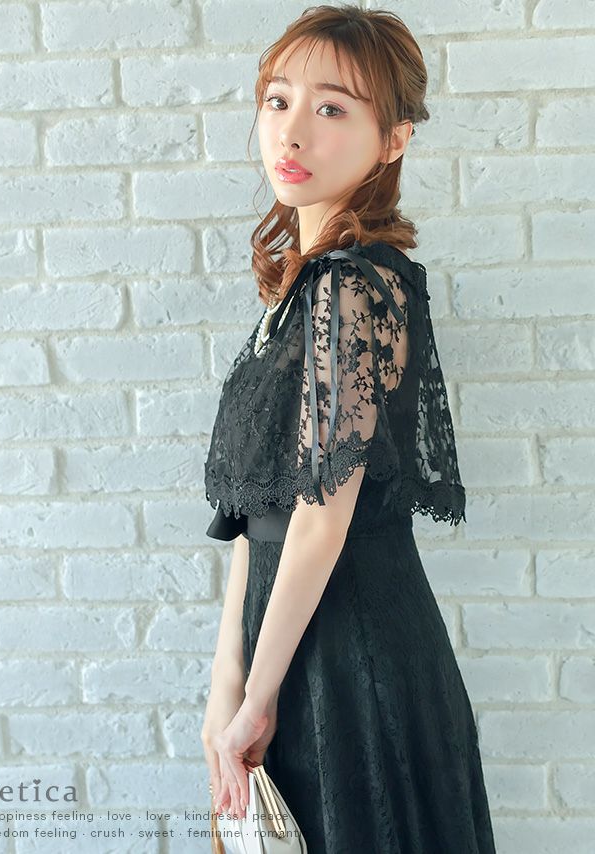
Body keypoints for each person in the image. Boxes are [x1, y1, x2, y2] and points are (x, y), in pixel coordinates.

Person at [200, 5, 497, 852]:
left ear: (394, 140)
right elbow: (255, 517)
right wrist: (226, 680)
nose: (292, 130)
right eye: (277, 100)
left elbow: (320, 517)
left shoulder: (350, 285)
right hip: (289, 649)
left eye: (331, 107)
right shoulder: (299, 294)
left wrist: (256, 696)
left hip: (348, 655)